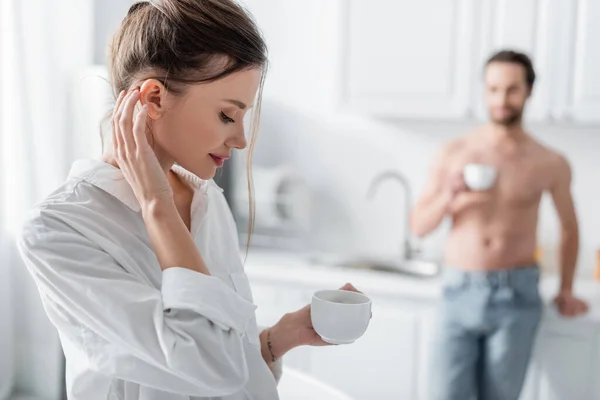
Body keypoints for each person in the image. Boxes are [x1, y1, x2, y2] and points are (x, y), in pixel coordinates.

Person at [17, 1, 358, 399]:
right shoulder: (57, 231)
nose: (241, 139)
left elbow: (231, 370)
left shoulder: (207, 203)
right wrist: (157, 206)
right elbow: (211, 365)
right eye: (228, 116)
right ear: (155, 99)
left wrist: (273, 341)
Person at [411, 50, 589, 400]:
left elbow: (569, 227)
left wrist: (566, 289)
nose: (501, 100)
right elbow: (418, 226)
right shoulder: (454, 152)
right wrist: (449, 196)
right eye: (493, 89)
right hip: (458, 292)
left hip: (517, 297)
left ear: (529, 91)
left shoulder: (549, 162)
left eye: (511, 89)